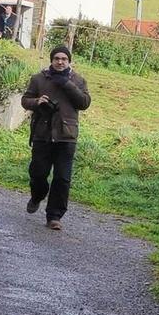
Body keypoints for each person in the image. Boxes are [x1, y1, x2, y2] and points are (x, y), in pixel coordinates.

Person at [23, 44, 92, 230]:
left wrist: (66, 84)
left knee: (62, 179)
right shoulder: (38, 79)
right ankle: (37, 196)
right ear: (51, 60)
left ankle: (54, 217)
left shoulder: (78, 80)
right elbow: (25, 100)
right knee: (38, 174)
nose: (60, 62)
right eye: (57, 59)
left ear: (69, 61)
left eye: (64, 59)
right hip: (42, 134)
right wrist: (37, 102)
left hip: (66, 136)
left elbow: (84, 103)